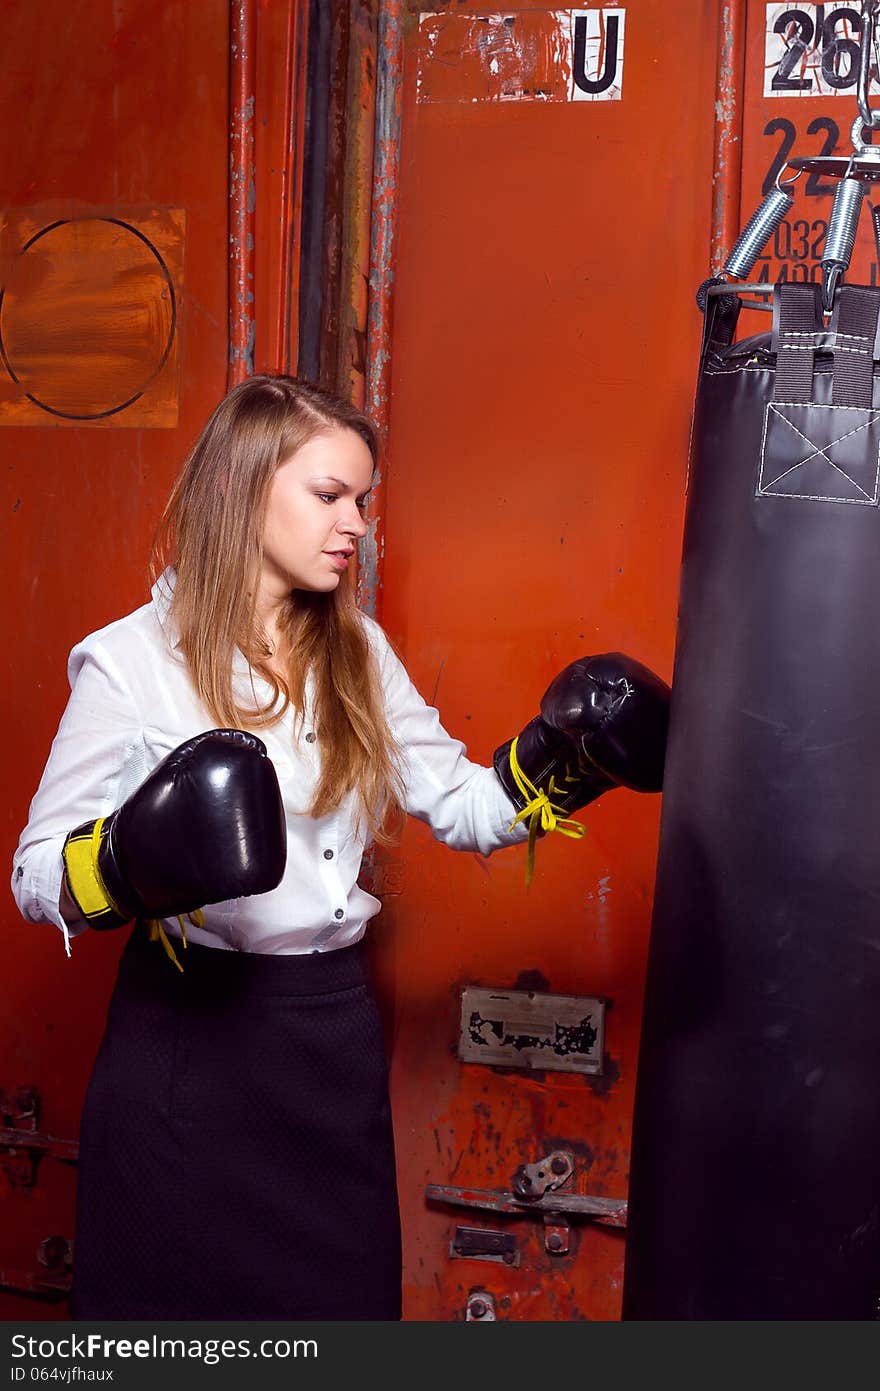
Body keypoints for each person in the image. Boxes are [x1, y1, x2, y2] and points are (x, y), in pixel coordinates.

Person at [11, 374, 670, 1321]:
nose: (355, 522)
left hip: (325, 1040)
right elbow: (36, 873)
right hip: (187, 1051)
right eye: (330, 495)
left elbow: (466, 805)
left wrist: (568, 757)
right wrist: (125, 859)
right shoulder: (131, 661)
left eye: (361, 499)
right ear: (244, 490)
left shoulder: (355, 648)